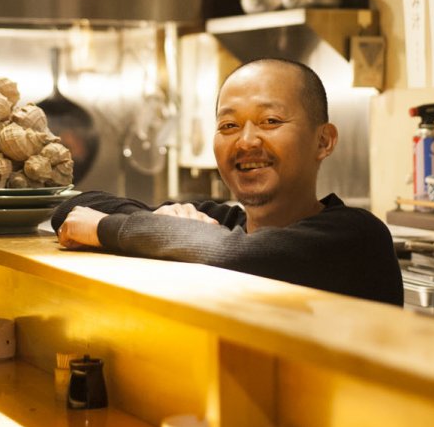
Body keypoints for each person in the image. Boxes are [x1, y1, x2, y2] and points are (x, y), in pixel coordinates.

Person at [52, 57, 403, 306]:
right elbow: (71, 210)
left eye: (270, 120)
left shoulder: (355, 236)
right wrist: (156, 223)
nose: (246, 141)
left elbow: (238, 253)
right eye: (229, 126)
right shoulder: (216, 221)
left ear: (323, 141)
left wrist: (109, 228)